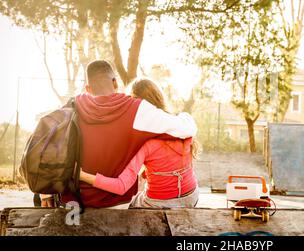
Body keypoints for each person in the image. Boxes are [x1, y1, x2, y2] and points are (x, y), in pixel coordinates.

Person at [40, 60, 197, 208]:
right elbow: (185, 129)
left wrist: (44, 193)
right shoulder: (136, 109)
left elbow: (44, 144)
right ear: (115, 82)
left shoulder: (72, 106)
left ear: (88, 89)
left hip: (74, 201)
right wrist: (185, 116)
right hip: (116, 202)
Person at [79, 78, 201, 208]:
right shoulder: (182, 127)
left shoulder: (145, 143)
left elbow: (121, 186)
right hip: (192, 196)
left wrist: (81, 175)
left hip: (159, 203)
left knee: (127, 205)